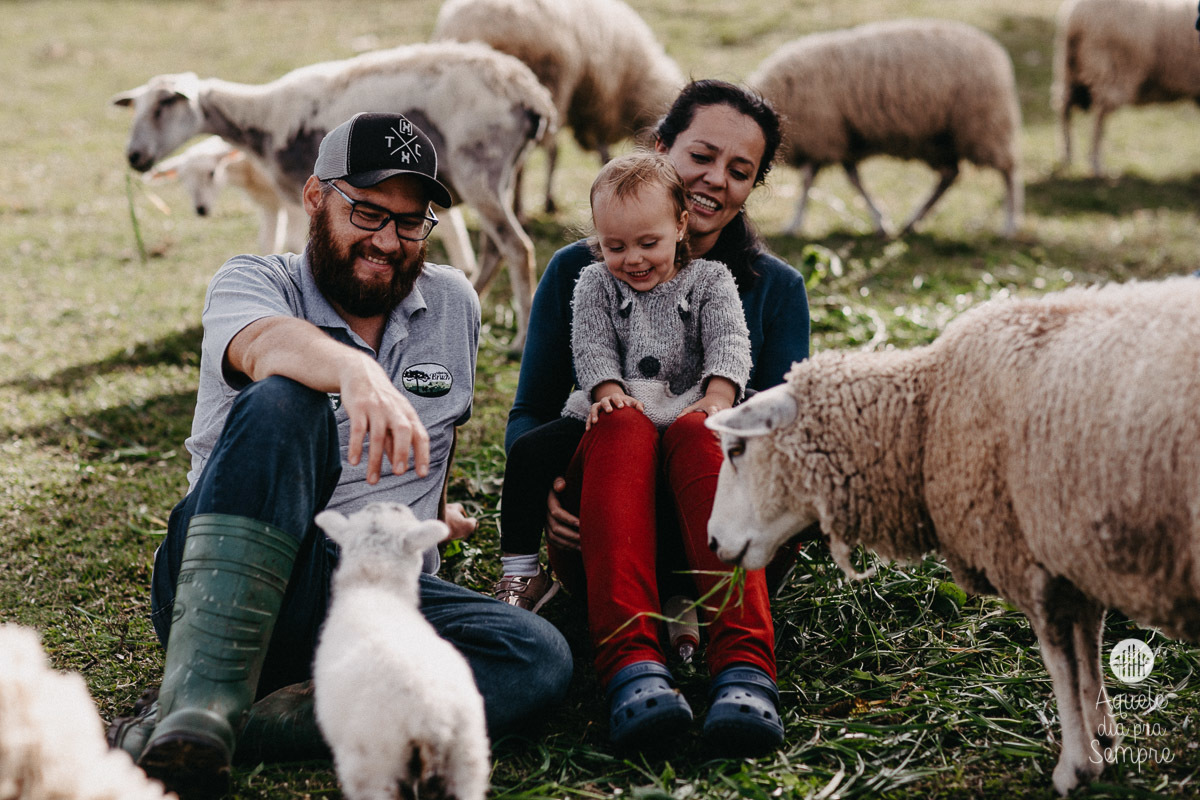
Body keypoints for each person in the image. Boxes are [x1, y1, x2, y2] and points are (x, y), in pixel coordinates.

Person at [108, 112, 572, 800]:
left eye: (410, 222)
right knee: (282, 400)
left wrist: (434, 509)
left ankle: (248, 724)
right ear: (315, 199)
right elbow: (263, 347)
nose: (387, 240)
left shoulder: (453, 303)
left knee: (535, 658)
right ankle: (198, 705)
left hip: (383, 596)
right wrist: (353, 373)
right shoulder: (252, 281)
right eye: (367, 212)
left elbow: (438, 437)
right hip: (239, 576)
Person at [502, 80, 811, 755]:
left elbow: (793, 437)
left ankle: (743, 669)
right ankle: (632, 665)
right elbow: (529, 413)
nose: (714, 182)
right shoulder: (581, 274)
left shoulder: (773, 290)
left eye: (740, 171)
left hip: (728, 527)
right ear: (661, 147)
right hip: (603, 523)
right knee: (619, 422)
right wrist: (553, 492)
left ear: (753, 187)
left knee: (705, 431)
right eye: (701, 155)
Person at [495, 151, 752, 613]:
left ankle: (680, 594)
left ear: (680, 224)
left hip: (684, 412)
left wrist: (718, 395)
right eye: (615, 246)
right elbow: (591, 345)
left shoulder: (711, 281)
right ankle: (520, 571)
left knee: (683, 487)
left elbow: (729, 341)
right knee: (530, 453)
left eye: (647, 243)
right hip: (611, 413)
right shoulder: (594, 282)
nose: (632, 260)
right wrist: (606, 392)